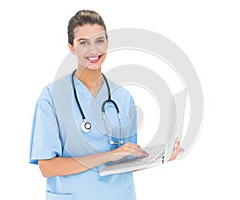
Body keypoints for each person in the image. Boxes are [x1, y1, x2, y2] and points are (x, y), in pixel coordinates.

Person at [29, 10, 181, 200]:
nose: (93, 50)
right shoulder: (51, 96)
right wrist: (107, 156)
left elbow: (125, 161)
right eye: (83, 42)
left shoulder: (123, 97)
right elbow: (47, 167)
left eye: (99, 40)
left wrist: (161, 156)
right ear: (71, 47)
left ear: (107, 43)